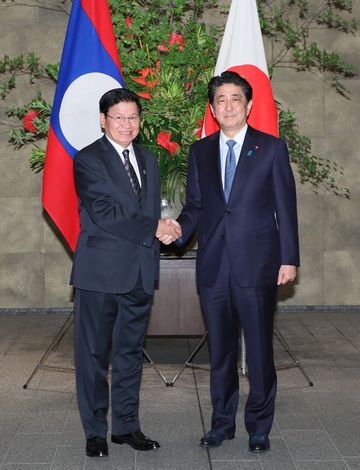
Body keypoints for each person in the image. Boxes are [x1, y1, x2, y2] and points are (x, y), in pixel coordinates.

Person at [176, 71, 299, 453]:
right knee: (221, 351)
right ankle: (222, 423)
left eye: (235, 99)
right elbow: (195, 207)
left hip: (258, 265)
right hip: (213, 267)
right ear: (212, 109)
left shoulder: (272, 148)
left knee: (259, 350)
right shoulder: (200, 152)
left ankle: (259, 425)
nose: (227, 106)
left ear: (249, 105)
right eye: (220, 100)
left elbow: (285, 208)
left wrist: (289, 258)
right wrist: (176, 232)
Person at [70, 88, 181, 457]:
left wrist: (167, 228)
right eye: (118, 117)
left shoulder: (149, 159)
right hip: (99, 275)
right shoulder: (88, 160)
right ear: (103, 120)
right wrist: (155, 227)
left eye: (133, 117)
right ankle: (95, 433)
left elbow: (148, 210)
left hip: (138, 274)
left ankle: (127, 427)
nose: (126, 124)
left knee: (131, 354)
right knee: (93, 356)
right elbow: (103, 212)